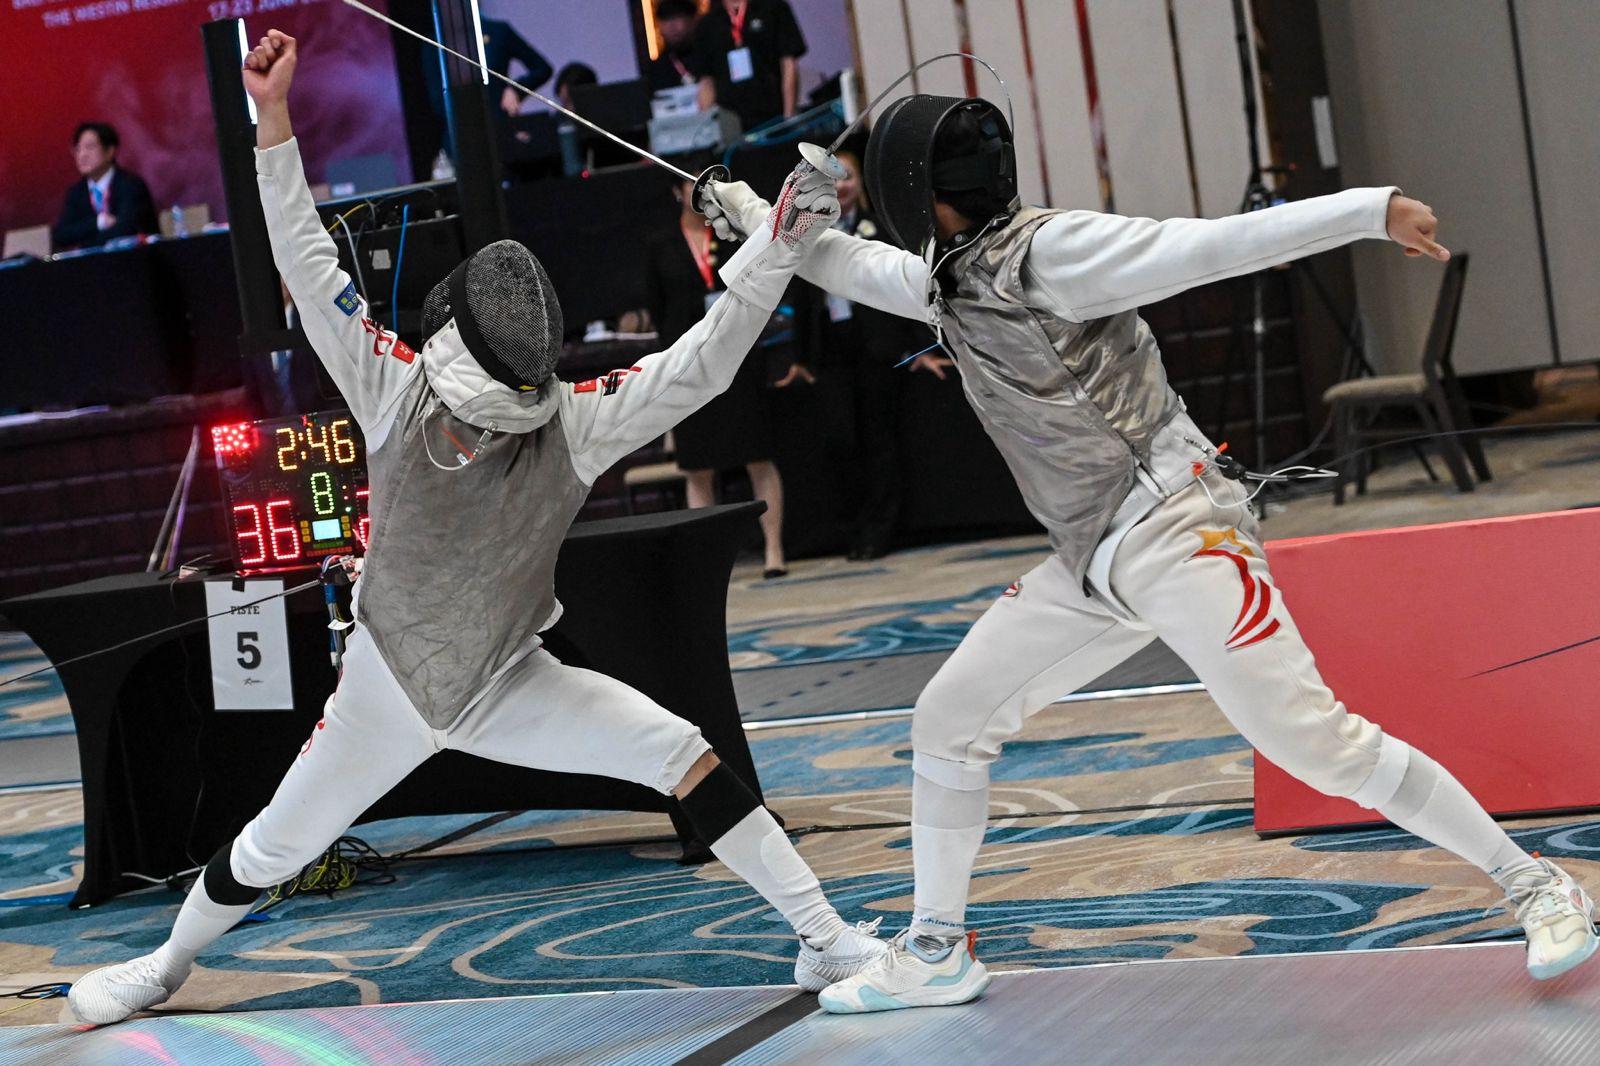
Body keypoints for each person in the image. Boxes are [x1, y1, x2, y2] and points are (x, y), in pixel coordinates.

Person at [703, 96, 1598, 1012]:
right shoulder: (948, 275)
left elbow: (1208, 246)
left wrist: (1370, 210)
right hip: (1090, 558)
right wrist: (751, 211)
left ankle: (1538, 884)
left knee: (1317, 747)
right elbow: (846, 261)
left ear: (915, 190)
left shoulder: (1054, 253)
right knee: (949, 720)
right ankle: (936, 949)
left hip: (1179, 528)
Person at [67, 30, 883, 1026]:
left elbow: (703, 361)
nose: (471, 435)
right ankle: (162, 967)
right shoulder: (394, 387)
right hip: (383, 686)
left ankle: (826, 940)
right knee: (276, 841)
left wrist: (778, 248)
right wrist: (270, 118)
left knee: (680, 751)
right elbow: (306, 261)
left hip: (509, 677)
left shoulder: (571, 422)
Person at [644, 164, 802, 579]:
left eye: (708, 187)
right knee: (698, 467)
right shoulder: (660, 245)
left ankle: (774, 550)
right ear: (677, 192)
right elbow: (659, 311)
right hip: (689, 364)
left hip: (740, 357)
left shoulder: (733, 235)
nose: (700, 194)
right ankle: (709, 563)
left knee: (758, 457)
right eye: (692, 186)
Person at [811, 150, 945, 561]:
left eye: (848, 176)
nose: (842, 186)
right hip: (832, 348)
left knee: (879, 440)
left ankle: (879, 530)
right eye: (834, 178)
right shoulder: (809, 233)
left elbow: (904, 287)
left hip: (876, 348)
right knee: (840, 439)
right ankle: (852, 524)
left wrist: (918, 346)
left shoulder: (878, 228)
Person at [693, 0, 806, 131]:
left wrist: (789, 115)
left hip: (773, 110)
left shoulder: (773, 8)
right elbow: (706, 80)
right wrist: (708, 130)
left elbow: (788, 62)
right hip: (731, 120)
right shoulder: (707, 24)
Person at [51, 122, 158, 251]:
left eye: (90, 147)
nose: (82, 155)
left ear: (110, 151)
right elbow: (61, 235)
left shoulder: (131, 185)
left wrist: (86, 245)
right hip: (93, 262)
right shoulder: (76, 192)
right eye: (78, 149)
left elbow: (126, 228)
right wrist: (98, 222)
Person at [646, 0, 702, 92]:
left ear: (693, 20)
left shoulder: (710, 56)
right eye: (665, 20)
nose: (671, 26)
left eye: (677, 17)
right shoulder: (657, 70)